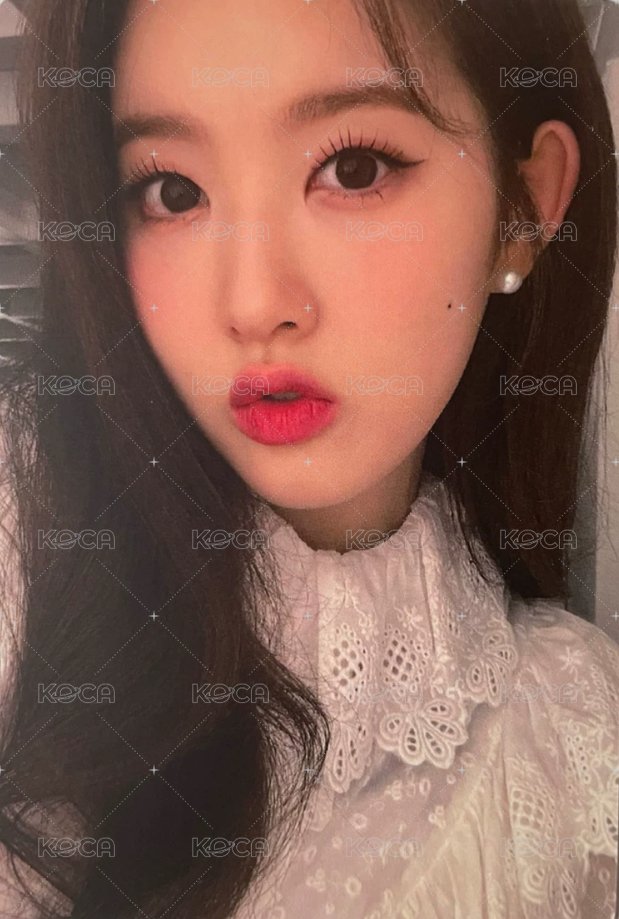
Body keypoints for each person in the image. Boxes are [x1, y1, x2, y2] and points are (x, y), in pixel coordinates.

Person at [0, 0, 617, 916]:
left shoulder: (576, 739)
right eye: (173, 192)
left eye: (352, 168)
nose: (254, 302)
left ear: (522, 210)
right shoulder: (29, 545)